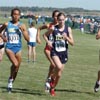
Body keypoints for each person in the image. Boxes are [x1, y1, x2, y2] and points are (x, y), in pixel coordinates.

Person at [43, 12, 74, 96]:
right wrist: (48, 41)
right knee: (59, 66)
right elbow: (45, 35)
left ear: (65, 19)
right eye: (59, 20)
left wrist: (66, 37)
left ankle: (52, 88)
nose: (61, 21)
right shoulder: (53, 28)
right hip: (55, 52)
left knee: (59, 75)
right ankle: (51, 78)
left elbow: (72, 43)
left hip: (63, 53)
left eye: (63, 20)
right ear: (57, 20)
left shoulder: (68, 29)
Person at [0, 8, 29, 92]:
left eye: (17, 14)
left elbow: (28, 39)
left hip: (18, 48)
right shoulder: (7, 24)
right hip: (9, 47)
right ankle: (10, 79)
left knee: (17, 68)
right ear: (11, 15)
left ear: (19, 16)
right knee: (15, 64)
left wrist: (23, 31)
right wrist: (3, 37)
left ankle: (11, 81)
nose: (15, 16)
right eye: (14, 14)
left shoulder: (22, 25)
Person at [37, 10, 60, 92]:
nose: (56, 18)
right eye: (55, 16)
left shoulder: (61, 27)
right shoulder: (49, 25)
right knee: (53, 65)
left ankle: (48, 80)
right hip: (48, 49)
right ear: (52, 17)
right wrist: (38, 37)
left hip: (57, 50)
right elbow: (39, 28)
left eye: (58, 16)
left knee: (54, 66)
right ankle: (49, 80)